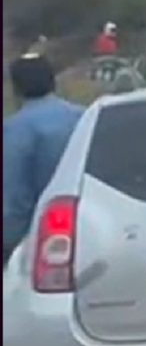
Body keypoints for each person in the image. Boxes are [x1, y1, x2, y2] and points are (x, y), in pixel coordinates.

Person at [3, 52, 85, 262]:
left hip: (44, 238)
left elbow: (15, 197)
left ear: (16, 88)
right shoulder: (84, 116)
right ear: (53, 82)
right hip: (89, 228)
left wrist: (9, 244)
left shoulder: (16, 129)